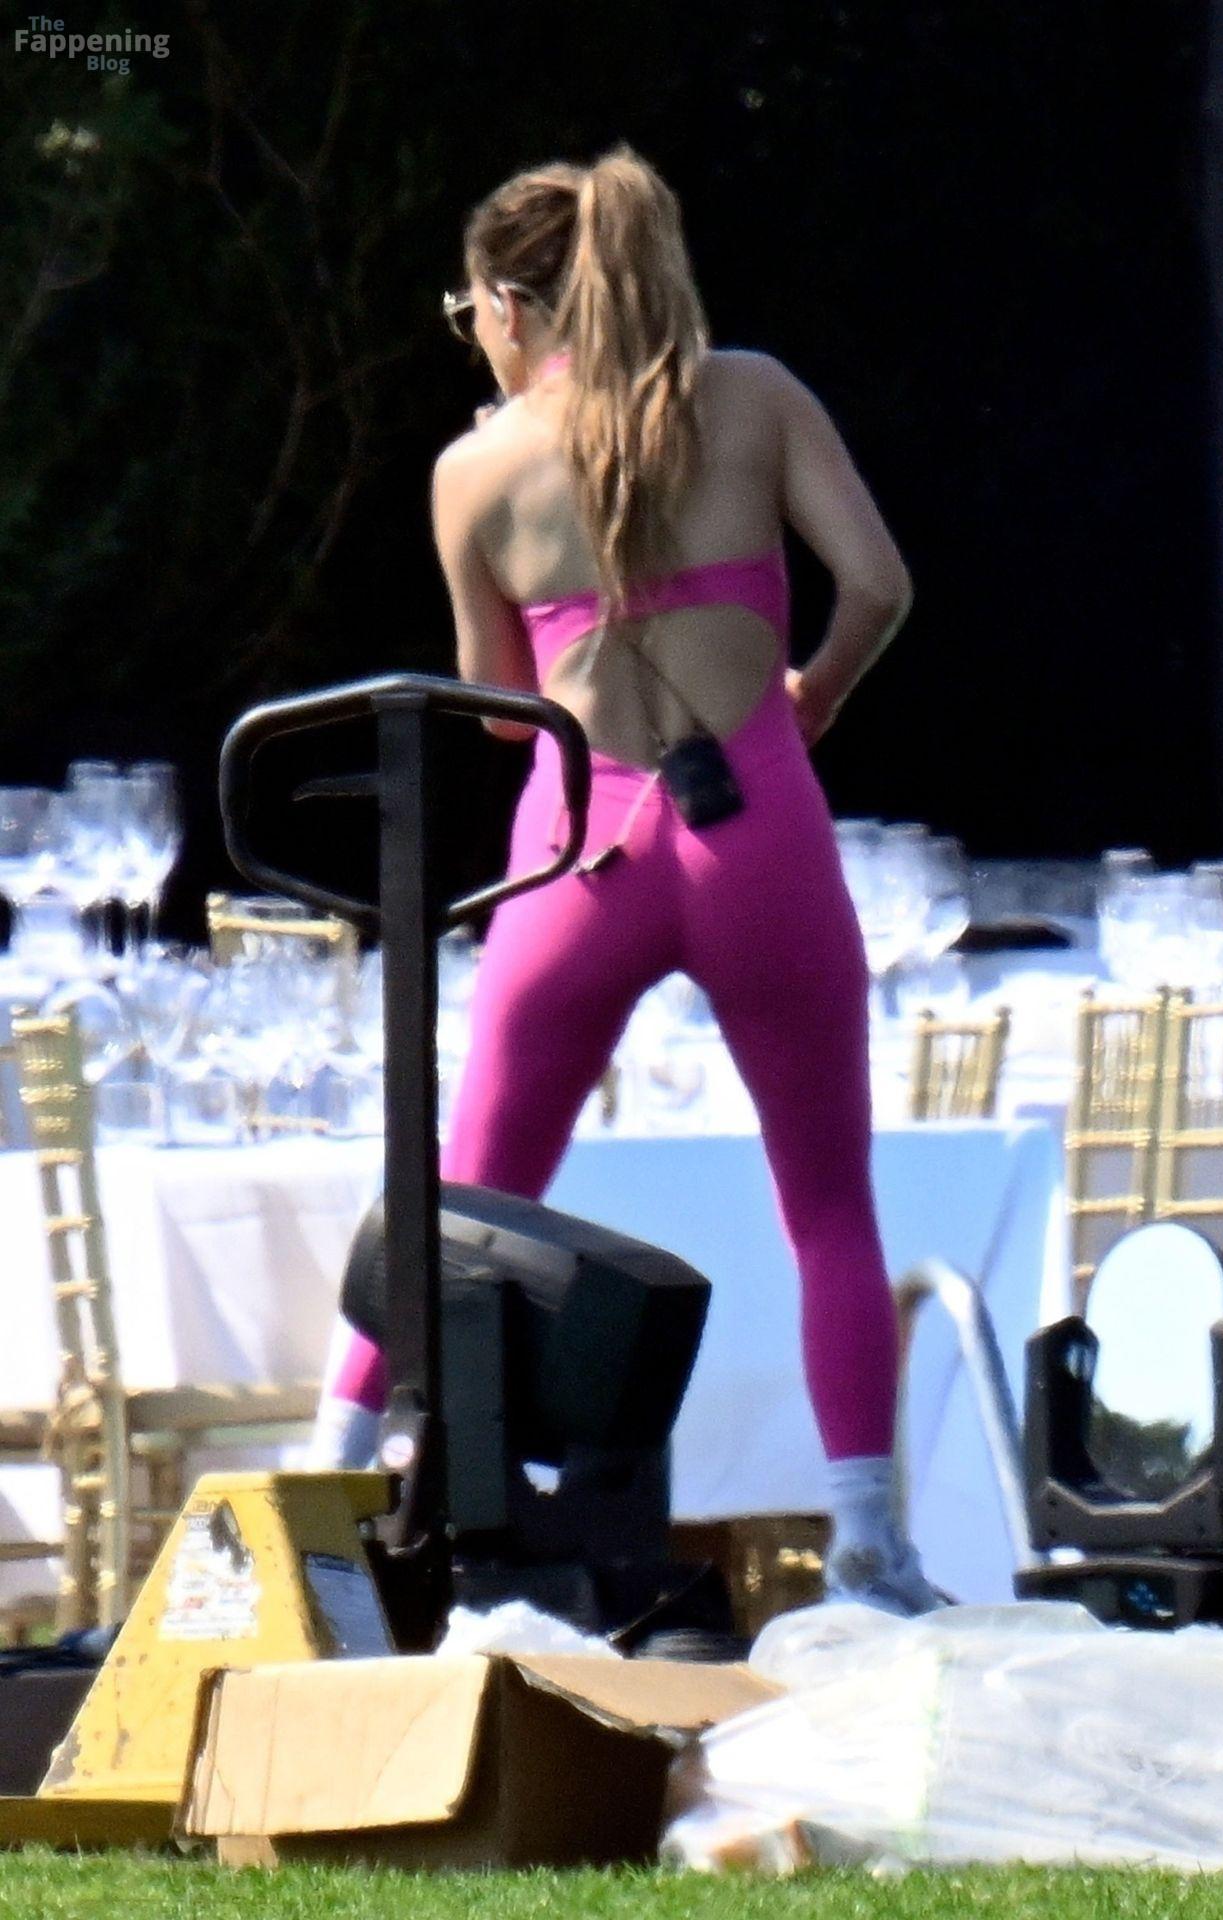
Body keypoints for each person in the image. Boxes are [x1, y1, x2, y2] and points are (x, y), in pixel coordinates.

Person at [309, 145, 938, 1613]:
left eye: (466, 309)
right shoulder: (755, 397)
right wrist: (812, 693)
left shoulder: (474, 469)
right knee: (827, 1207)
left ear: (511, 306)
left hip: (580, 847)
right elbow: (881, 585)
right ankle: (867, 1542)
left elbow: (495, 699)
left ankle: (315, 1491)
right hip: (755, 827)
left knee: (454, 1198)